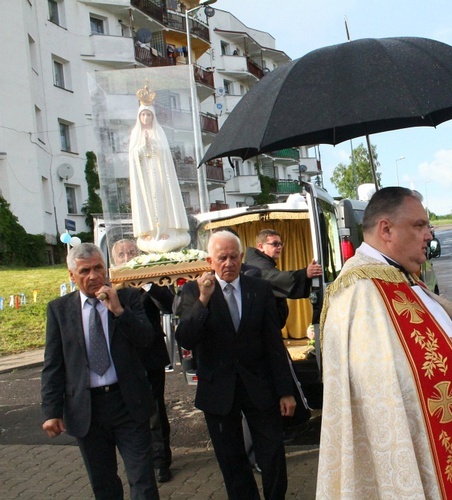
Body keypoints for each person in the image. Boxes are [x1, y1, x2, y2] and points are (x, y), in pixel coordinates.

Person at [318, 187, 452, 499]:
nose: (429, 235)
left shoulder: (401, 278)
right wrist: (450, 356)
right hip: (420, 454)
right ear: (386, 229)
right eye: (419, 225)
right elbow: (376, 385)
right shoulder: (359, 293)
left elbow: (422, 340)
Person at [175, 230, 297, 500]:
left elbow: (273, 344)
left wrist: (285, 390)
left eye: (233, 257)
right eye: (222, 258)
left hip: (259, 385)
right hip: (218, 389)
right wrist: (203, 300)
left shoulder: (260, 289)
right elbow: (185, 337)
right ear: (210, 260)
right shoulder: (193, 291)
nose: (228, 263)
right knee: (231, 460)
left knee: (273, 452)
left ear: (242, 257)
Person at [41, 243, 159, 499]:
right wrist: (51, 411)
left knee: (143, 480)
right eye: (84, 271)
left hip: (128, 404)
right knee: (103, 484)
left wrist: (118, 311)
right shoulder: (59, 310)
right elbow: (53, 364)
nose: (93, 276)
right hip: (87, 409)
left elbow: (146, 339)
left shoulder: (128, 298)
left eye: (98, 268)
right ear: (71, 275)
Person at [112, 238, 174, 483]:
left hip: (151, 355)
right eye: (121, 254)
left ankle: (161, 461)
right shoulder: (110, 285)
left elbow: (170, 305)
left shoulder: (151, 277)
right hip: (123, 360)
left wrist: (148, 284)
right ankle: (141, 458)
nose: (127, 258)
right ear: (114, 259)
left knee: (155, 410)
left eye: (131, 252)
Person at [128, 83, 191, 254]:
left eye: (149, 114)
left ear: (153, 116)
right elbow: (133, 155)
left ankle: (165, 230)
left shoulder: (159, 132)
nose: (146, 118)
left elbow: (165, 154)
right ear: (139, 117)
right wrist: (142, 148)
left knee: (162, 200)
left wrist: (154, 147)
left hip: (159, 173)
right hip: (145, 175)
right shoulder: (136, 133)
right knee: (147, 200)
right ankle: (148, 231)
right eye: (143, 115)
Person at [244, 228, 323, 325]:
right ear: (260, 247)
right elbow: (274, 278)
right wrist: (305, 273)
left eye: (281, 244)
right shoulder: (257, 265)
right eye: (275, 244)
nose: (279, 247)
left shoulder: (260, 262)